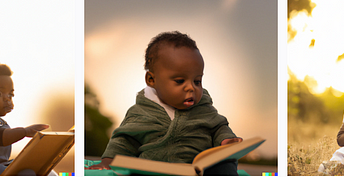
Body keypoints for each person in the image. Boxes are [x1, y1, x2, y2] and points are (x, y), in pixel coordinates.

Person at [86, 31, 242, 175]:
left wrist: (226, 139)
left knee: (224, 165)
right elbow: (124, 140)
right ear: (151, 80)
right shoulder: (141, 112)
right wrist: (108, 161)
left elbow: (218, 127)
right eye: (180, 81)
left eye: (197, 81)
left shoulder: (204, 108)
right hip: (155, 170)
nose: (191, 88)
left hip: (200, 171)